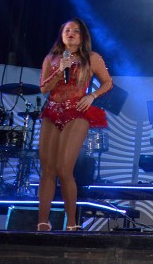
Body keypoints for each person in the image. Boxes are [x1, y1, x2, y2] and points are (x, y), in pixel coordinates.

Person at [37, 18, 112, 231]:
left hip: (77, 111)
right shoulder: (51, 58)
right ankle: (43, 221)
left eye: (76, 31)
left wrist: (92, 96)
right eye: (67, 30)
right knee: (48, 169)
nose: (71, 33)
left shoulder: (92, 58)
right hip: (52, 110)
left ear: (82, 36)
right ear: (61, 34)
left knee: (64, 168)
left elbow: (108, 82)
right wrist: (60, 69)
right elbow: (43, 88)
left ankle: (71, 223)